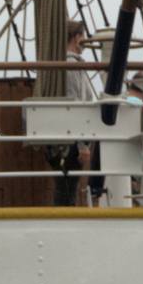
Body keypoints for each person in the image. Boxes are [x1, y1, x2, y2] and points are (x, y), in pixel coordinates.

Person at [54, 18, 96, 207]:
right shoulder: (72, 65)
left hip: (71, 136)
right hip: (71, 140)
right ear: (77, 37)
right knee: (67, 189)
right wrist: (82, 145)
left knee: (68, 188)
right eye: (84, 36)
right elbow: (76, 104)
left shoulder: (71, 64)